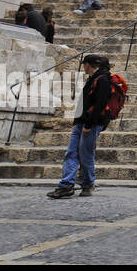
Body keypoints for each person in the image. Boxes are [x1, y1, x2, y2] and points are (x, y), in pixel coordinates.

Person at [47, 55, 113, 198]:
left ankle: (88, 184)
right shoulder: (93, 79)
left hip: (91, 124)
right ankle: (66, 185)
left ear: (88, 65)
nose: (83, 67)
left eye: (84, 64)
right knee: (71, 153)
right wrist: (77, 123)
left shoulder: (103, 80)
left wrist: (89, 124)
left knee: (85, 154)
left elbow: (100, 105)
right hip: (81, 123)